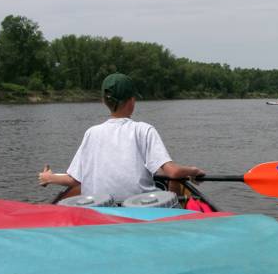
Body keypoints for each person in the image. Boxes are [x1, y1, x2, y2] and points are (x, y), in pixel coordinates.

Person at [38, 72, 205, 202]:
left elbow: (74, 180)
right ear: (132, 101)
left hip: (100, 209)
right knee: (173, 182)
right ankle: (173, 217)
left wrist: (49, 177)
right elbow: (174, 172)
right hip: (141, 208)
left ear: (104, 101)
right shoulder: (144, 130)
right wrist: (193, 170)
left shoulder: (91, 133)